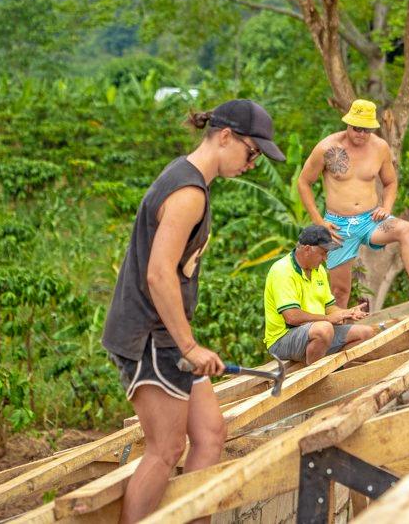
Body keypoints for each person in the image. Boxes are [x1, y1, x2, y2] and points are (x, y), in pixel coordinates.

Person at [101, 99, 285, 523]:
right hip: (149, 338)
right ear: (225, 137)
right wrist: (189, 345)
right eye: (252, 152)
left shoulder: (191, 180)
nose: (252, 163)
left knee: (210, 434)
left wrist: (186, 342)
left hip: (165, 337)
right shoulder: (187, 192)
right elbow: (159, 275)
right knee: (165, 450)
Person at [297, 98, 409, 309]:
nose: (361, 134)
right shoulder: (327, 148)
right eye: (357, 128)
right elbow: (304, 182)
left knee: (406, 229)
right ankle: (336, 337)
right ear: (348, 124)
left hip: (370, 219)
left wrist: (386, 207)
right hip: (338, 226)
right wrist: (318, 221)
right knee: (340, 291)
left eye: (366, 129)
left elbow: (391, 182)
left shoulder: (380, 147)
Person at [264, 225, 375, 364]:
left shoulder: (319, 270)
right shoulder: (282, 271)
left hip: (316, 332)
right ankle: (314, 378)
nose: (325, 258)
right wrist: (328, 319)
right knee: (324, 329)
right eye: (323, 253)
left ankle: (334, 370)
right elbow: (291, 317)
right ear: (307, 249)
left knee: (367, 333)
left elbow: (329, 308)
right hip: (282, 339)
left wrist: (346, 313)